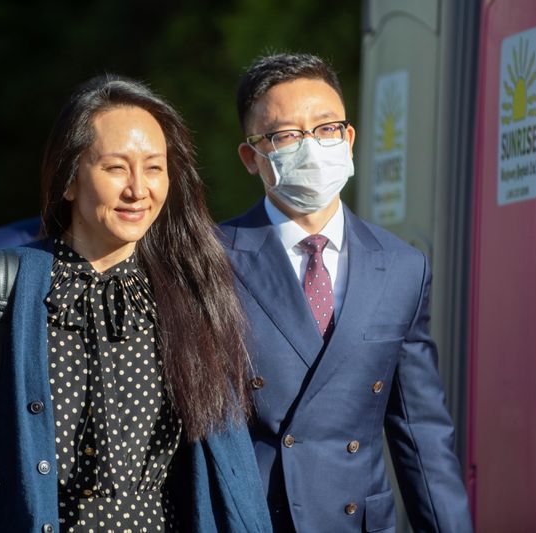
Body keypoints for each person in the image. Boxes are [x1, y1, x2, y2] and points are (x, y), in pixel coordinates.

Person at [0, 75, 271, 533]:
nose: (138, 189)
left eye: (154, 168)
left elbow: (233, 473)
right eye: (116, 168)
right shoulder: (0, 284)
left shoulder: (191, 290)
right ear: (69, 180)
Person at [219, 53, 472, 532]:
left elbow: (420, 432)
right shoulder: (212, 260)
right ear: (252, 157)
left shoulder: (401, 267)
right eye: (287, 135)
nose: (312, 148)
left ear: (349, 139)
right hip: (257, 517)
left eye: (327, 128)